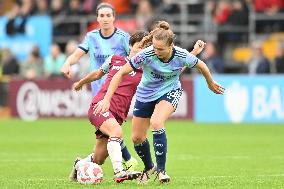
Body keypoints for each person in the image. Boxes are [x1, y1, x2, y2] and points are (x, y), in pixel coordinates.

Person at [94, 21, 225, 184]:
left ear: (171, 46)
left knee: (156, 122)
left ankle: (162, 171)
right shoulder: (146, 54)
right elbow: (120, 73)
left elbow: (202, 66)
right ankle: (150, 167)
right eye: (154, 48)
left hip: (170, 91)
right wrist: (106, 99)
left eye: (160, 49)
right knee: (137, 138)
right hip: (145, 94)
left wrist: (210, 83)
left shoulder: (181, 55)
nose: (156, 51)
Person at [61, 2, 137, 168]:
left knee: (107, 140)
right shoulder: (91, 37)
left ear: (114, 18)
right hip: (100, 94)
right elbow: (77, 54)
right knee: (113, 130)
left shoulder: (123, 38)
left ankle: (83, 164)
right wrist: (68, 63)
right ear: (97, 18)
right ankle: (127, 163)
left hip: (117, 93)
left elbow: (134, 57)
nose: (105, 19)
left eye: (108, 15)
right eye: (101, 15)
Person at [69, 31, 150, 183]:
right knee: (116, 132)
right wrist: (81, 83)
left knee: (98, 158)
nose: (140, 51)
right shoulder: (115, 59)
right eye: (138, 47)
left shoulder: (146, 71)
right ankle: (119, 171)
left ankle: (79, 164)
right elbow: (98, 74)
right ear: (130, 46)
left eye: (144, 48)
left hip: (118, 114)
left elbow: (168, 72)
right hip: (100, 106)